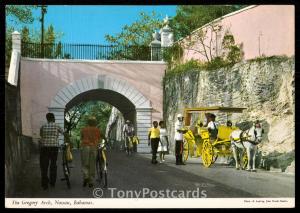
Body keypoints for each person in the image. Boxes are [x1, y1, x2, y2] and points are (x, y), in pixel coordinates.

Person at [39, 112, 65, 190]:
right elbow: (64, 133)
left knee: (44, 165)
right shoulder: (57, 126)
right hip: (54, 147)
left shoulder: (43, 126)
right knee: (53, 164)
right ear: (53, 118)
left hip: (45, 147)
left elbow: (41, 135)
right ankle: (52, 182)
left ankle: (44, 184)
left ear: (47, 118)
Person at [80, 117, 101, 188]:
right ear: (95, 123)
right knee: (92, 164)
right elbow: (98, 139)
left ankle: (86, 176)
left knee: (85, 163)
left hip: (85, 147)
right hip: (94, 148)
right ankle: (91, 182)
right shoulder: (97, 130)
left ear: (88, 123)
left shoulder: (83, 129)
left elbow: (82, 138)